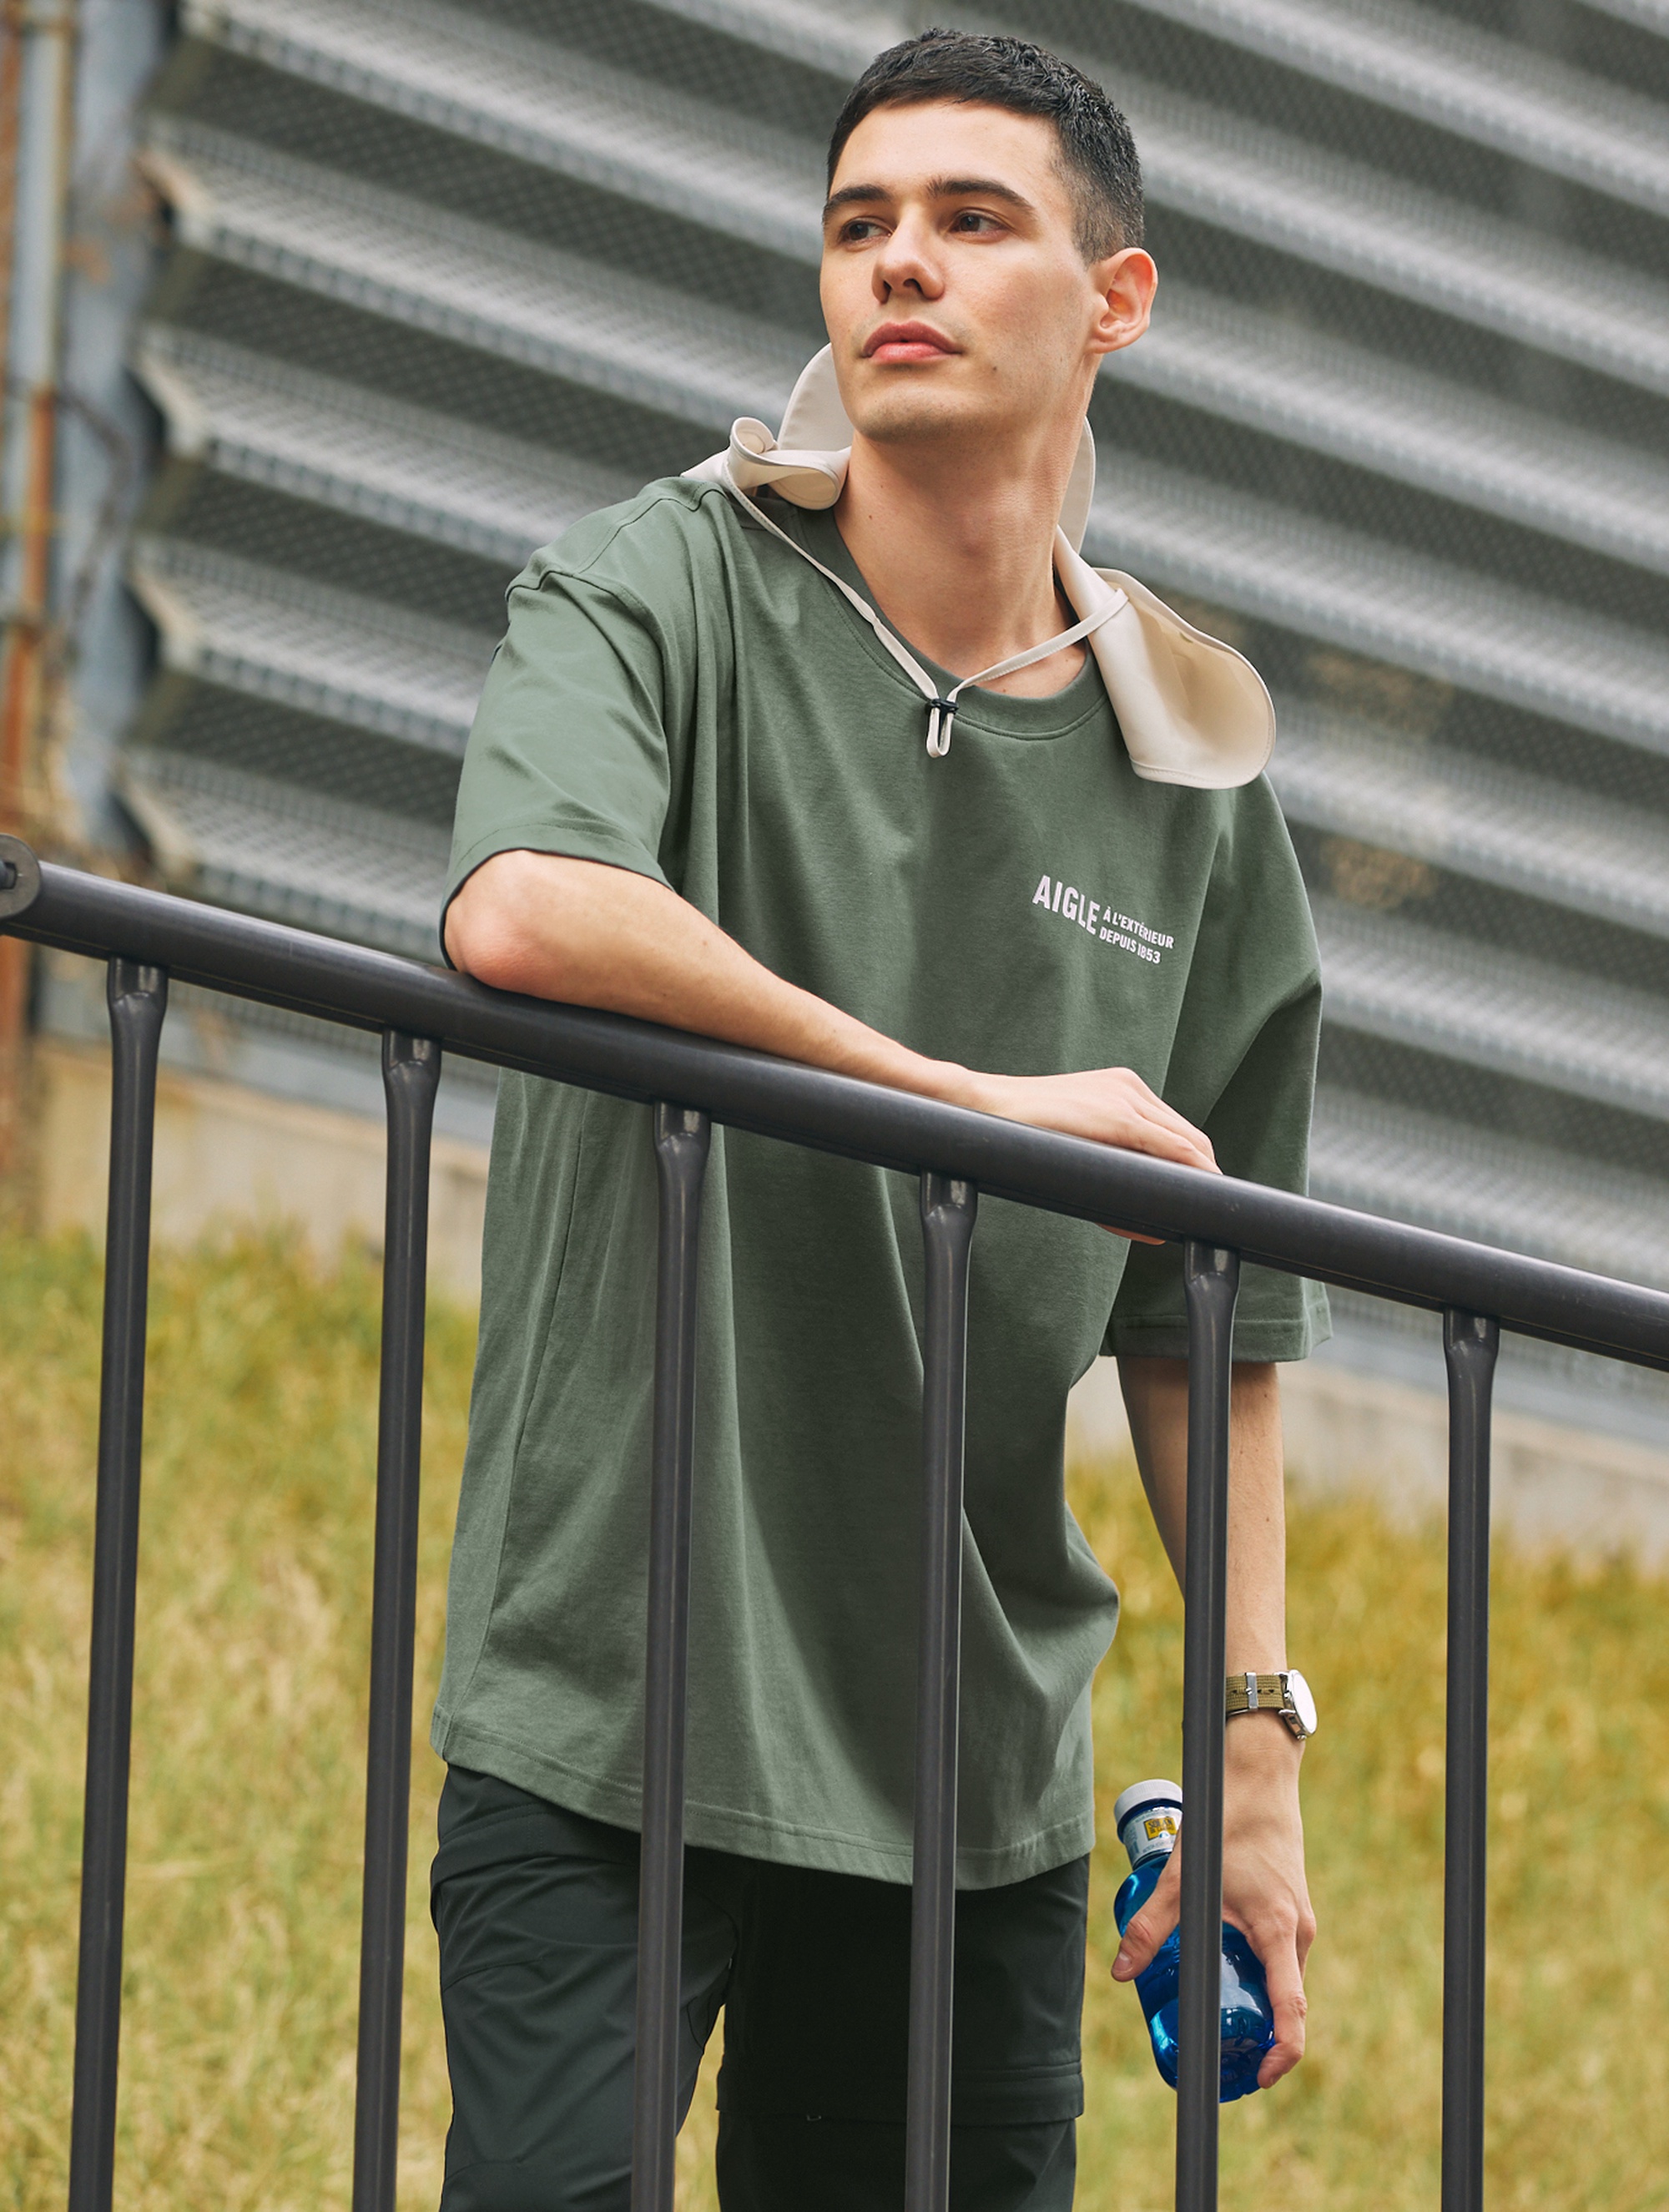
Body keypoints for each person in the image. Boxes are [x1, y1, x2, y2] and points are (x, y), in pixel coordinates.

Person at [431, 28, 1324, 2211]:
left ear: (1115, 300)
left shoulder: (1196, 766)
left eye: (971, 219)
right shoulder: (659, 580)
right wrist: (974, 1108)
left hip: (973, 1762)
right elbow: (527, 904)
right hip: (613, 1688)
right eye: (860, 224)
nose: (898, 264)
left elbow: (1209, 1321)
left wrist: (1256, 1751)